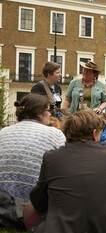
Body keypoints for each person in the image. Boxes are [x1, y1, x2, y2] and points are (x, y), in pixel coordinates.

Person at [23, 110, 106, 233]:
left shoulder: (51, 157)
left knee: (29, 209)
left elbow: (38, 201)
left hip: (61, 227)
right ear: (94, 134)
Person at [0, 94, 65, 231]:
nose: (50, 114)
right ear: (40, 113)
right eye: (48, 111)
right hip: (36, 209)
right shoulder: (55, 134)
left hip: (3, 206)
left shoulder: (3, 132)